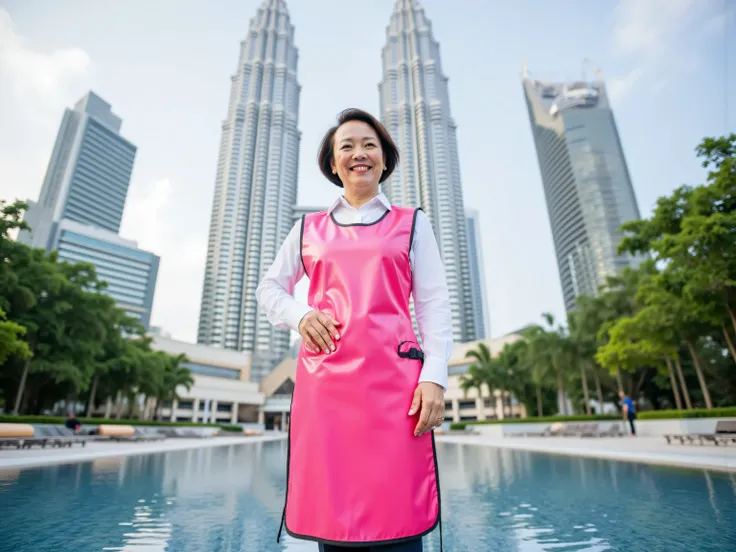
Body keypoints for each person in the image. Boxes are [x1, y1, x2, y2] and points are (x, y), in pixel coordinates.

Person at [256, 108, 453, 551]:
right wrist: (301, 315)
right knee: (336, 527)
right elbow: (268, 289)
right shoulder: (309, 228)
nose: (359, 153)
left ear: (385, 159)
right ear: (332, 163)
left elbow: (434, 306)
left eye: (370, 145)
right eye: (347, 146)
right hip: (327, 394)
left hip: (397, 392)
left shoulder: (413, 223)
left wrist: (435, 377)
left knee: (399, 520)